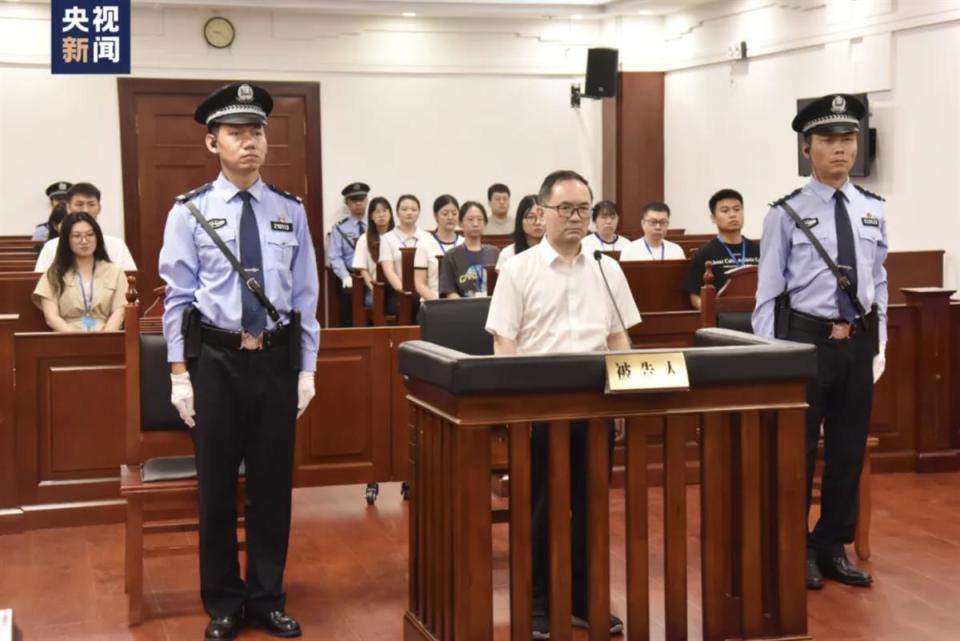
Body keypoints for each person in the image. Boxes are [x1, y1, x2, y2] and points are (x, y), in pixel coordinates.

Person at [158, 82, 320, 641]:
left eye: (257, 132)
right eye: (236, 133)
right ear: (213, 143)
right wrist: (179, 374)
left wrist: (307, 369)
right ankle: (224, 602)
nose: (250, 142)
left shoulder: (290, 210)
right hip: (217, 363)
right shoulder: (190, 212)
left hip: (275, 363)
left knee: (272, 488)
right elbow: (177, 299)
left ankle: (267, 598)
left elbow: (305, 298)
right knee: (218, 489)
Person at [486, 170, 640, 639]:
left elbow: (618, 336)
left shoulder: (606, 268)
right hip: (539, 409)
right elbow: (504, 342)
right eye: (567, 209)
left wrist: (625, 401)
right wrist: (514, 409)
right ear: (542, 212)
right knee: (540, 508)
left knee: (590, 506)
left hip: (595, 405)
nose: (576, 218)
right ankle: (537, 602)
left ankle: (583, 598)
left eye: (584, 210)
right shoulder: (518, 268)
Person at [753, 93, 887, 591]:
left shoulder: (872, 209)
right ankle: (793, 547)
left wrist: (880, 344)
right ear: (807, 148)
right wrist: (771, 360)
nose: (841, 149)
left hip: (858, 344)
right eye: (829, 140)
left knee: (848, 451)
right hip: (804, 344)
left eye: (848, 138)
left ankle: (832, 545)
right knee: (799, 450)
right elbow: (768, 295)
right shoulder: (786, 213)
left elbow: (880, 281)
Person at [32, 212, 128, 332]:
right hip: (66, 336)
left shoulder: (115, 272)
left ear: (97, 237)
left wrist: (104, 338)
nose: (84, 241)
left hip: (106, 334)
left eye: (90, 235)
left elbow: (119, 312)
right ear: (66, 240)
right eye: (77, 236)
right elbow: (51, 317)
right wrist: (77, 339)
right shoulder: (53, 274)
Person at [682, 188, 759, 309]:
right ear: (713, 218)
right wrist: (713, 314)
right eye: (725, 210)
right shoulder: (704, 253)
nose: (733, 215)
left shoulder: (759, 250)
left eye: (737, 209)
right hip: (721, 317)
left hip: (757, 314)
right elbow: (695, 296)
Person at [34, 182, 137, 272]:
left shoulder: (117, 246)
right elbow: (40, 282)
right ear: (68, 208)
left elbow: (131, 280)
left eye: (91, 204)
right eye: (79, 204)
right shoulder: (51, 247)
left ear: (99, 208)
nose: (86, 210)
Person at [327, 181, 370, 326]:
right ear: (347, 203)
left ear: (367, 201)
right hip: (351, 276)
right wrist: (345, 276)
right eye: (354, 200)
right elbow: (335, 256)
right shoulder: (339, 228)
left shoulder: (376, 225)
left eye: (361, 199)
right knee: (348, 303)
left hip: (373, 275)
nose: (358, 203)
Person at [438, 201, 499, 298]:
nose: (475, 224)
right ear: (460, 223)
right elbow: (449, 291)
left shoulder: (494, 253)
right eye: (470, 219)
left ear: (485, 223)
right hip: (462, 306)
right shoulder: (451, 256)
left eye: (480, 219)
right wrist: (463, 306)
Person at [414, 194, 463, 301]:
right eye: (445, 214)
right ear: (435, 216)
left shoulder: (463, 242)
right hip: (433, 300)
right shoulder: (424, 243)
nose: (450, 217)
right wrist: (438, 303)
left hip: (461, 300)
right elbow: (420, 284)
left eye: (454, 213)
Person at [352, 196, 396, 311]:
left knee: (400, 303)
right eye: (377, 212)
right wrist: (373, 287)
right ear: (371, 216)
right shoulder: (364, 239)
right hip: (374, 284)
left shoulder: (397, 237)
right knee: (373, 301)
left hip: (395, 285)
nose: (381, 215)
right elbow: (363, 270)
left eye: (384, 211)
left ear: (390, 214)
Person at [379, 194, 428, 294]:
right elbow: (389, 271)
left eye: (414, 210)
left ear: (419, 213)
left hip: (426, 291)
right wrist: (405, 292)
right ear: (397, 213)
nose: (409, 213)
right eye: (404, 209)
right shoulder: (387, 239)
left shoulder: (427, 237)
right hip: (399, 292)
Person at [620, 201, 685, 261]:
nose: (658, 227)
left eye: (663, 222)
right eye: (653, 222)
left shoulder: (676, 250)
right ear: (643, 224)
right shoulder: (629, 250)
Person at [495, 194, 543, 273]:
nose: (538, 222)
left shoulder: (557, 251)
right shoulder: (508, 253)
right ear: (520, 220)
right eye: (531, 217)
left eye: (542, 216)